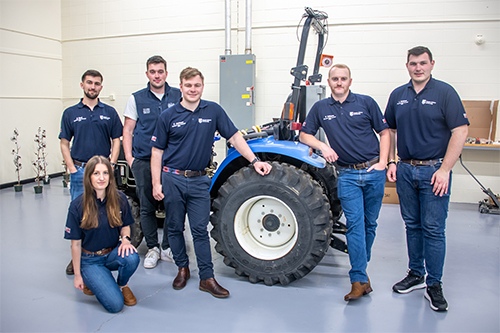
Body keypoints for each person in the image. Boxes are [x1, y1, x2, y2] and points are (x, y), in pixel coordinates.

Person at [151, 67, 272, 298]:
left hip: (198, 181)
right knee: (175, 227)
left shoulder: (213, 110)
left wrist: (255, 160)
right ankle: (182, 268)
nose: (192, 89)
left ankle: (207, 278)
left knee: (199, 229)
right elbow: (157, 151)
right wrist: (156, 184)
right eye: (188, 85)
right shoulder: (168, 116)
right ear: (181, 87)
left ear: (202, 86)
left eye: (197, 85)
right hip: (172, 178)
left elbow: (235, 137)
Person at [385, 46, 469, 312]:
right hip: (406, 170)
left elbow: (460, 130)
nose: (418, 68)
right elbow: (390, 130)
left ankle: (434, 284)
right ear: (407, 65)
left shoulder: (445, 93)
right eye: (413, 63)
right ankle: (416, 273)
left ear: (432, 64)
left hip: (435, 172)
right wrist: (391, 161)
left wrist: (444, 169)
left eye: (423, 63)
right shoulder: (398, 95)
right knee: (412, 225)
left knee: (433, 228)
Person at [299, 64, 389, 302]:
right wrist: (323, 146)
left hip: (373, 171)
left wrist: (384, 162)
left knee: (371, 224)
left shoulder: (366, 102)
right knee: (356, 226)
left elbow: (385, 132)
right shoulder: (320, 108)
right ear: (329, 82)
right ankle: (358, 278)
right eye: (335, 79)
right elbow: (304, 135)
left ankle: (362, 269)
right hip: (347, 175)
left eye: (343, 79)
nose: (339, 82)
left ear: (350, 81)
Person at [59, 69, 123, 275]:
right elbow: (64, 142)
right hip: (80, 171)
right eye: (89, 83)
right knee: (80, 215)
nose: (92, 87)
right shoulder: (70, 113)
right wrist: (71, 168)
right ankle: (77, 257)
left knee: (106, 212)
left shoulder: (110, 112)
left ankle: (106, 253)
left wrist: (111, 165)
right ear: (82, 85)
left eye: (96, 84)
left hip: (104, 173)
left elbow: (116, 141)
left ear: (101, 88)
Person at [123, 55, 181, 269]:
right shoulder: (136, 98)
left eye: (160, 71)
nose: (157, 75)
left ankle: (167, 247)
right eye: (152, 71)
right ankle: (153, 249)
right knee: (147, 207)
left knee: (172, 206)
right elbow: (128, 130)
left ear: (166, 73)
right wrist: (130, 158)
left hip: (172, 162)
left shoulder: (178, 95)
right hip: (144, 161)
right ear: (147, 73)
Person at [64, 156, 140, 313]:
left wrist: (125, 240)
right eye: (96, 173)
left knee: (131, 257)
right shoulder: (77, 206)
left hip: (112, 252)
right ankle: (91, 279)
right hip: (90, 259)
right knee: (115, 306)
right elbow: (75, 244)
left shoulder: (120, 198)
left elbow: (125, 225)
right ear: (89, 176)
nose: (101, 178)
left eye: (105, 173)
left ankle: (122, 284)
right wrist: (77, 275)